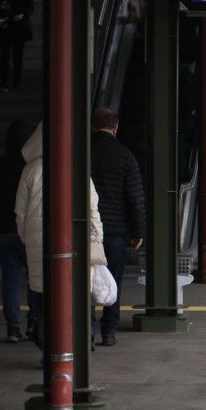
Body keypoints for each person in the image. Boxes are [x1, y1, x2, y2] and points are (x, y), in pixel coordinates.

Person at [16, 124, 104, 351]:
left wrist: (26, 238)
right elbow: (92, 209)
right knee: (76, 293)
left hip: (38, 244)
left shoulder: (30, 170)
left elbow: (20, 213)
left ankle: (48, 349)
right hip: (75, 242)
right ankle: (81, 341)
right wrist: (98, 239)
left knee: (45, 299)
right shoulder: (77, 169)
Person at [89, 108, 145, 347]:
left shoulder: (83, 153)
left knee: (85, 279)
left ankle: (88, 328)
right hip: (116, 230)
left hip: (87, 229)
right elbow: (135, 198)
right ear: (115, 128)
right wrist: (138, 231)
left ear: (93, 126)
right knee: (113, 279)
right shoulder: (125, 156)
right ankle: (109, 330)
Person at [0, 121, 37, 343]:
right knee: (34, 277)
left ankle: (13, 327)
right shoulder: (31, 167)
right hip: (28, 230)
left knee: (10, 278)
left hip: (2, 230)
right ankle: (34, 322)